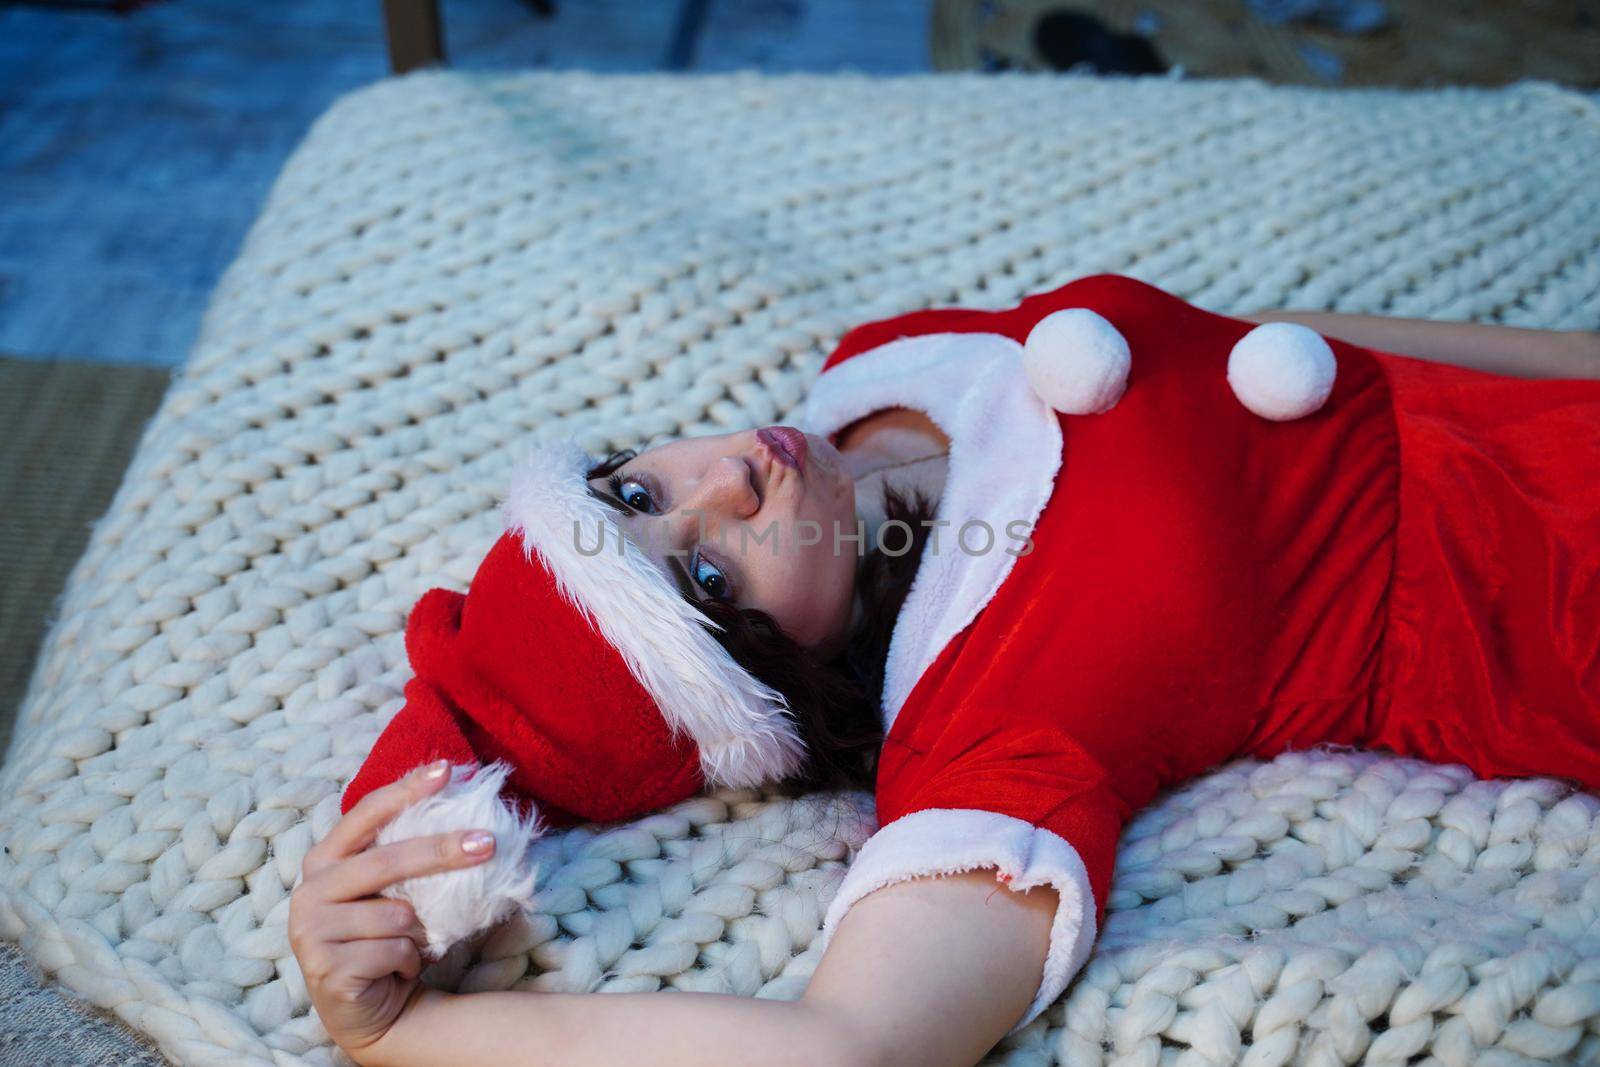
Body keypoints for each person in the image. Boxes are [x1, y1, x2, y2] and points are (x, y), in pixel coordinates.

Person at [288, 274, 1600, 1067]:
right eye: (707, 576)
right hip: (1545, 609)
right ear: (777, 690)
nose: (724, 483)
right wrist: (403, 1036)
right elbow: (848, 1048)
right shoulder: (989, 716)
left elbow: (1306, 346)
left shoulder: (886, 373)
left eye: (638, 489)